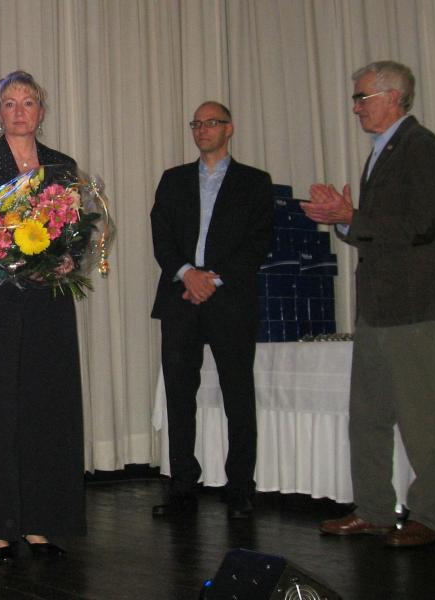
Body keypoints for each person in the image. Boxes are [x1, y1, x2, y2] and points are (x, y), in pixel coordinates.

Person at [304, 61, 435, 547]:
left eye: (362, 97)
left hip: (412, 307)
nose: (355, 108)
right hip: (377, 307)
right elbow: (377, 230)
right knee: (368, 417)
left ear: (393, 96)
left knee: (420, 421)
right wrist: (343, 220)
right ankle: (373, 510)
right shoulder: (383, 151)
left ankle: (428, 517)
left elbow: (422, 226)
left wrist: (352, 215)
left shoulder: (420, 147)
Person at [0, 71, 86, 562]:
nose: (19, 111)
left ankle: (43, 521)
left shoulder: (63, 166)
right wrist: (14, 252)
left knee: (47, 408)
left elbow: (77, 230)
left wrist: (68, 258)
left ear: (41, 112)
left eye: (28, 102)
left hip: (48, 303)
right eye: (10, 103)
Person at [150, 101, 273, 520]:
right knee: (179, 396)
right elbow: (161, 236)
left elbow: (257, 244)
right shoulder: (173, 180)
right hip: (180, 298)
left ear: (229, 128)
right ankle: (183, 488)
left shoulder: (254, 182)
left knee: (237, 394)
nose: (202, 130)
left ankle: (240, 489)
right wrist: (188, 274)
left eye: (211, 123)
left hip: (231, 300)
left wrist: (211, 280)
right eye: (196, 124)